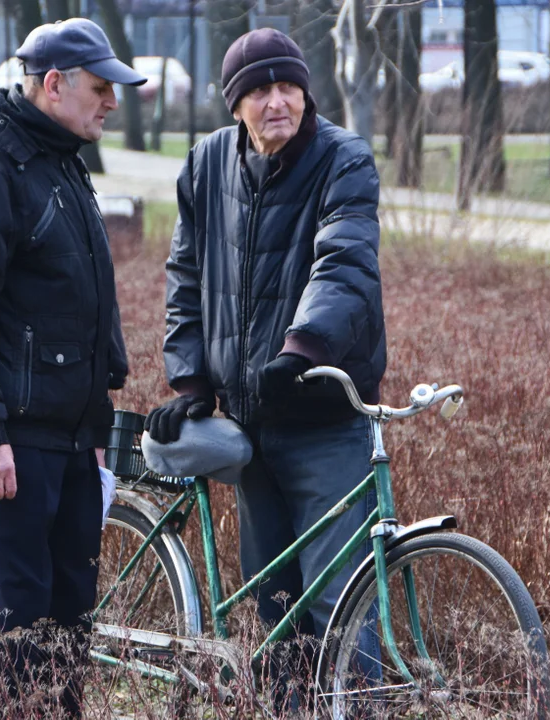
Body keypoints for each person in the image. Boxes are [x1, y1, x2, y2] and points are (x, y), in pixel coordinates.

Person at [145, 28, 386, 710]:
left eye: (288, 87)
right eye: (259, 91)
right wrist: (190, 380)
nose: (277, 102)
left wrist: (302, 348)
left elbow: (346, 262)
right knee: (273, 601)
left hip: (325, 417)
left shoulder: (344, 160)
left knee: (341, 599)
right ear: (235, 105)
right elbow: (185, 277)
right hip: (249, 425)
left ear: (307, 91)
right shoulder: (206, 164)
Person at [0, 18, 144, 718]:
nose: (112, 102)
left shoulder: (60, 157)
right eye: (101, 88)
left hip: (72, 438)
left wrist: (100, 422)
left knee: (69, 619)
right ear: (54, 85)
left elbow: (77, 301)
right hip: (13, 440)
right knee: (18, 627)